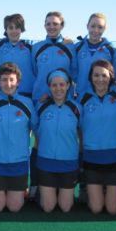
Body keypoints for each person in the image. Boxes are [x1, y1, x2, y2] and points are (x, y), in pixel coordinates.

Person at [0, 62, 37, 213]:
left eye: (12, 79)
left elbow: (35, 128)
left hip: (18, 162)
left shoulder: (27, 103)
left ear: (18, 82)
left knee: (15, 208)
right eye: (4, 79)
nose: (8, 83)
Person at [79, 60, 116, 214]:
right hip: (92, 157)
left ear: (111, 76)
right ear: (91, 77)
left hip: (115, 156)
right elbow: (79, 125)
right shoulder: (83, 98)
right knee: (96, 208)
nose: (100, 79)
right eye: (96, 75)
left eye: (104, 75)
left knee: (112, 210)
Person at [35, 69, 82, 212]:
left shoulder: (76, 108)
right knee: (48, 208)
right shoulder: (41, 107)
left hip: (68, 162)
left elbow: (81, 131)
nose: (58, 88)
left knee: (65, 208)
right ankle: (42, 193)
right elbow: (35, 131)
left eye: (62, 84)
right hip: (46, 161)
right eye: (54, 85)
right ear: (49, 87)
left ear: (68, 85)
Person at [31, 11, 77, 103]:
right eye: (48, 24)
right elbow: (35, 71)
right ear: (44, 26)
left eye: (55, 24)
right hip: (41, 98)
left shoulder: (71, 47)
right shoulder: (36, 47)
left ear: (62, 26)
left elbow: (74, 72)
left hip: (64, 98)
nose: (51, 27)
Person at [0, 14, 35, 97]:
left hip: (25, 93)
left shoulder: (30, 46)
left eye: (17, 28)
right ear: (6, 30)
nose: (14, 31)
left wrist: (64, 42)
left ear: (21, 29)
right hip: (2, 92)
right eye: (11, 28)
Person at [75, 13, 116, 95]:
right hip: (81, 96)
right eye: (93, 26)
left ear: (105, 28)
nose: (96, 30)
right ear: (87, 26)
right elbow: (72, 72)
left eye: (100, 27)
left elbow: (115, 75)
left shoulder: (111, 49)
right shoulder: (77, 47)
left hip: (102, 97)